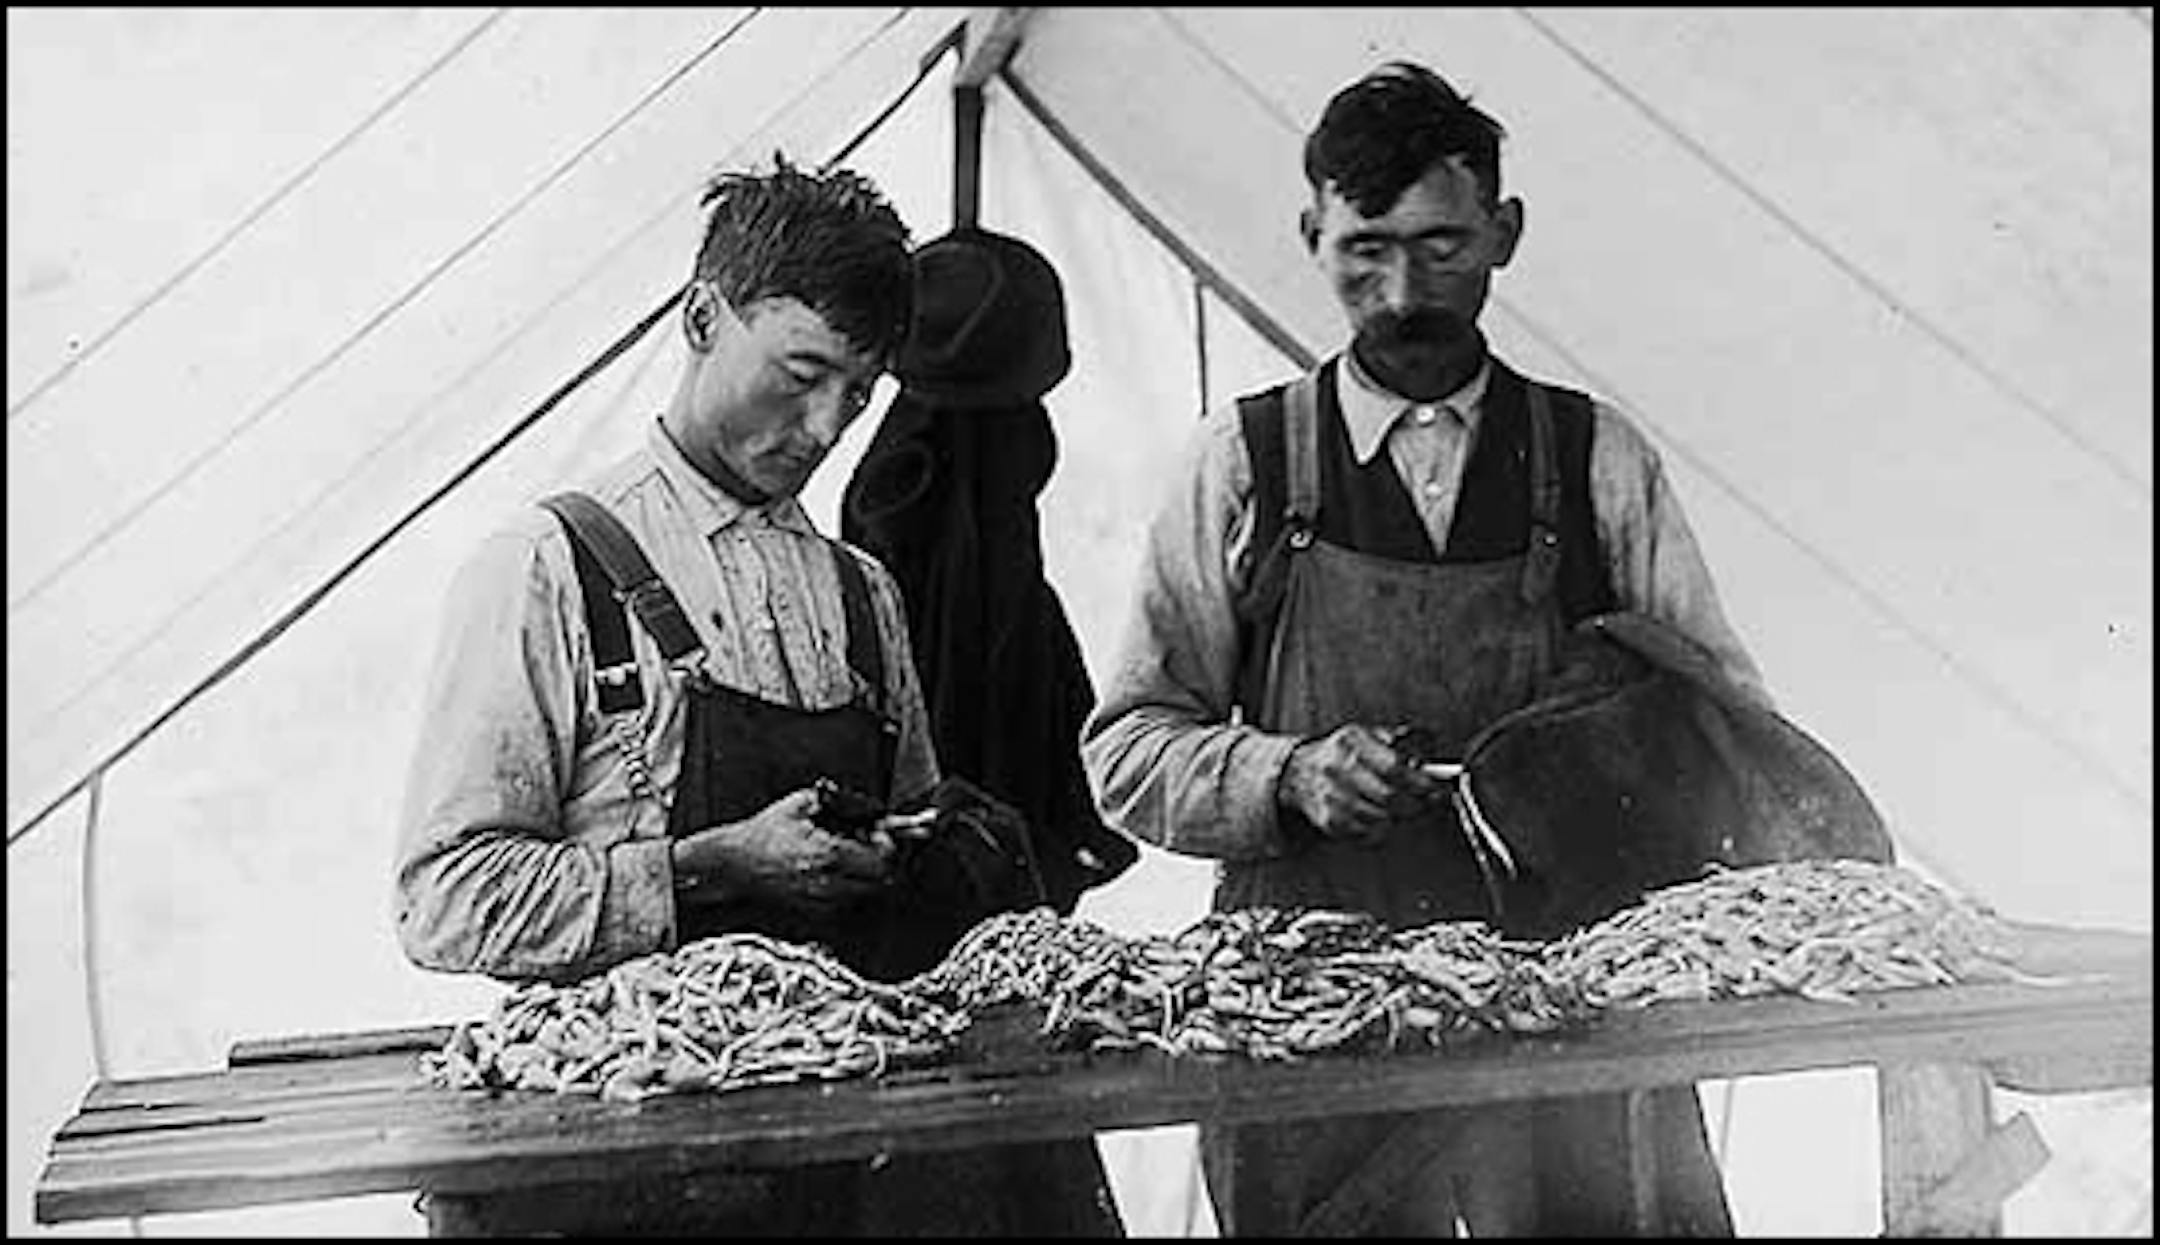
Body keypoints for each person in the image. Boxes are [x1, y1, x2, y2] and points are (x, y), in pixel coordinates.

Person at [1079, 61, 1756, 1236]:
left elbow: (1726, 726)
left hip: (1562, 1013)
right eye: (1365, 251)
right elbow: (1128, 750)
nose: (1402, 294)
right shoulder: (1241, 463)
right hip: (1311, 1015)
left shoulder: (1597, 459)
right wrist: (1287, 775)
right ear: (1312, 237)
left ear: (1505, 232)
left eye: (1443, 247)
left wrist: (1592, 783)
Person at [394, 155, 1120, 1236]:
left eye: (859, 394)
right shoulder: (546, 568)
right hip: (616, 1174)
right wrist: (712, 864)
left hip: (837, 1177)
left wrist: (915, 852)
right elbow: (444, 900)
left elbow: (913, 859)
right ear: (702, 318)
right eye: (800, 373)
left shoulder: (862, 594)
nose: (825, 426)